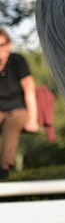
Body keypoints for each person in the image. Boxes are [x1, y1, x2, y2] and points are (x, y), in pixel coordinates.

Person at [0, 28, 39, 179]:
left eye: (2, 45)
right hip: (1, 110)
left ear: (9, 45)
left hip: (20, 109)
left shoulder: (17, 61)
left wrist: (33, 119)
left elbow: (30, 90)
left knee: (11, 123)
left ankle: (4, 167)